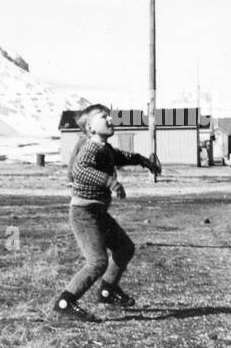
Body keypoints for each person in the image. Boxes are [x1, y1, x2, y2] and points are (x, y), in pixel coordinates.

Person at [53, 104, 161, 321]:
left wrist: (142, 160)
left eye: (109, 117)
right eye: (104, 117)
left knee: (124, 248)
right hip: (84, 214)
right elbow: (80, 170)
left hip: (97, 212)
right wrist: (110, 182)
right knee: (97, 262)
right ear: (91, 128)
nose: (110, 120)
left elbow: (121, 156)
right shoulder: (90, 148)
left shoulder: (104, 148)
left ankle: (107, 291)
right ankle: (66, 301)